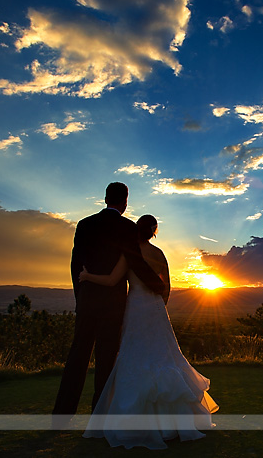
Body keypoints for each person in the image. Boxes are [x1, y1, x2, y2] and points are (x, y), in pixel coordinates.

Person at [81, 214, 218, 450]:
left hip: (136, 308)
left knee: (136, 357)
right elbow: (166, 286)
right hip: (155, 309)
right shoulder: (159, 254)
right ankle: (175, 423)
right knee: (164, 356)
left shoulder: (129, 253)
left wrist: (86, 276)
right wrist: (160, 306)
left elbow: (113, 280)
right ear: (154, 231)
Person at [52, 183, 166, 423]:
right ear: (125, 202)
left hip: (87, 301)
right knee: (105, 360)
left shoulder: (84, 225)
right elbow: (135, 262)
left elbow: (75, 266)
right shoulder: (126, 227)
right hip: (113, 305)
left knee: (77, 357)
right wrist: (158, 287)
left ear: (105, 199)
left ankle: (61, 416)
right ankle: (99, 416)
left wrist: (80, 297)